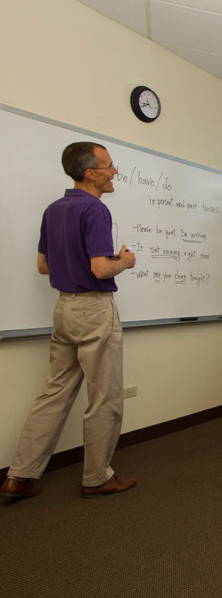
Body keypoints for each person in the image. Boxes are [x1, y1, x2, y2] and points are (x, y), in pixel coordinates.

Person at [0, 142, 137, 499]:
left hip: (63, 310)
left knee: (53, 394)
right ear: (91, 174)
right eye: (109, 166)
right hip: (93, 310)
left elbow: (43, 266)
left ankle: (20, 476)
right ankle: (97, 477)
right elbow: (100, 267)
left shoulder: (53, 209)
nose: (114, 172)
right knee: (105, 397)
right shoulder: (95, 211)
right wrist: (124, 260)